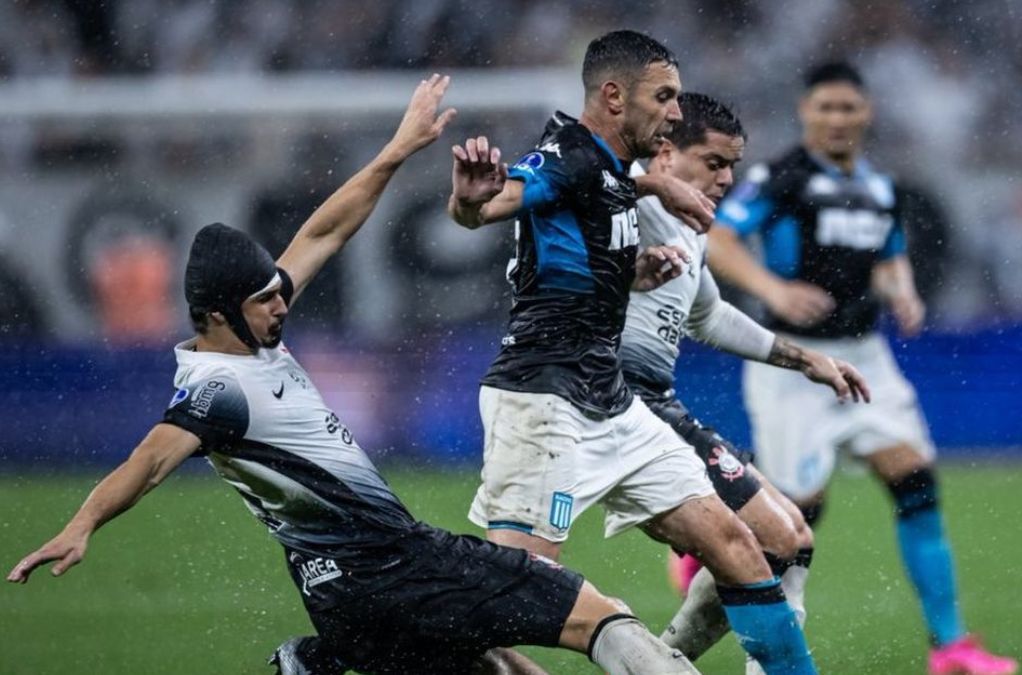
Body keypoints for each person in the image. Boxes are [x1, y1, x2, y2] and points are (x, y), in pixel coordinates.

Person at [7, 75, 698, 675]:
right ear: (215, 314)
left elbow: (324, 233)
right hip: (399, 565)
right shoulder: (215, 390)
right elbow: (150, 459)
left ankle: (315, 659)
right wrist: (83, 523)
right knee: (601, 617)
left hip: (341, 601)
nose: (283, 300)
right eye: (264, 297)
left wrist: (398, 149)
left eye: (277, 290)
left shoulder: (251, 338)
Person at [449, 30, 819, 674]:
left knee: (737, 542)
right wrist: (469, 200)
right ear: (615, 96)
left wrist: (636, 248)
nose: (676, 112)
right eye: (665, 96)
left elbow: (593, 215)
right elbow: (495, 203)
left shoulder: (614, 172)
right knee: (510, 599)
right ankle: (363, 646)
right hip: (543, 402)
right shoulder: (565, 155)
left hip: (614, 404)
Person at [706, 61, 1019, 675]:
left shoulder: (880, 186)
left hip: (866, 355)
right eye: (825, 107)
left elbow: (888, 256)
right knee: (795, 518)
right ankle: (716, 548)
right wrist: (772, 288)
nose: (837, 119)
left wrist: (902, 291)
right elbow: (718, 236)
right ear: (805, 112)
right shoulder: (782, 175)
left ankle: (950, 647)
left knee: (915, 480)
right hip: (793, 360)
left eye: (848, 108)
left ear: (866, 113)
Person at [618, 92, 870, 669]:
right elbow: (554, 188)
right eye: (713, 163)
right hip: (608, 400)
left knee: (793, 540)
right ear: (664, 154)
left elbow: (707, 315)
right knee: (773, 543)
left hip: (656, 403)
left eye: (732, 165)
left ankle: (662, 662)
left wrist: (805, 360)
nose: (728, 179)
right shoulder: (617, 194)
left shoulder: (692, 225)